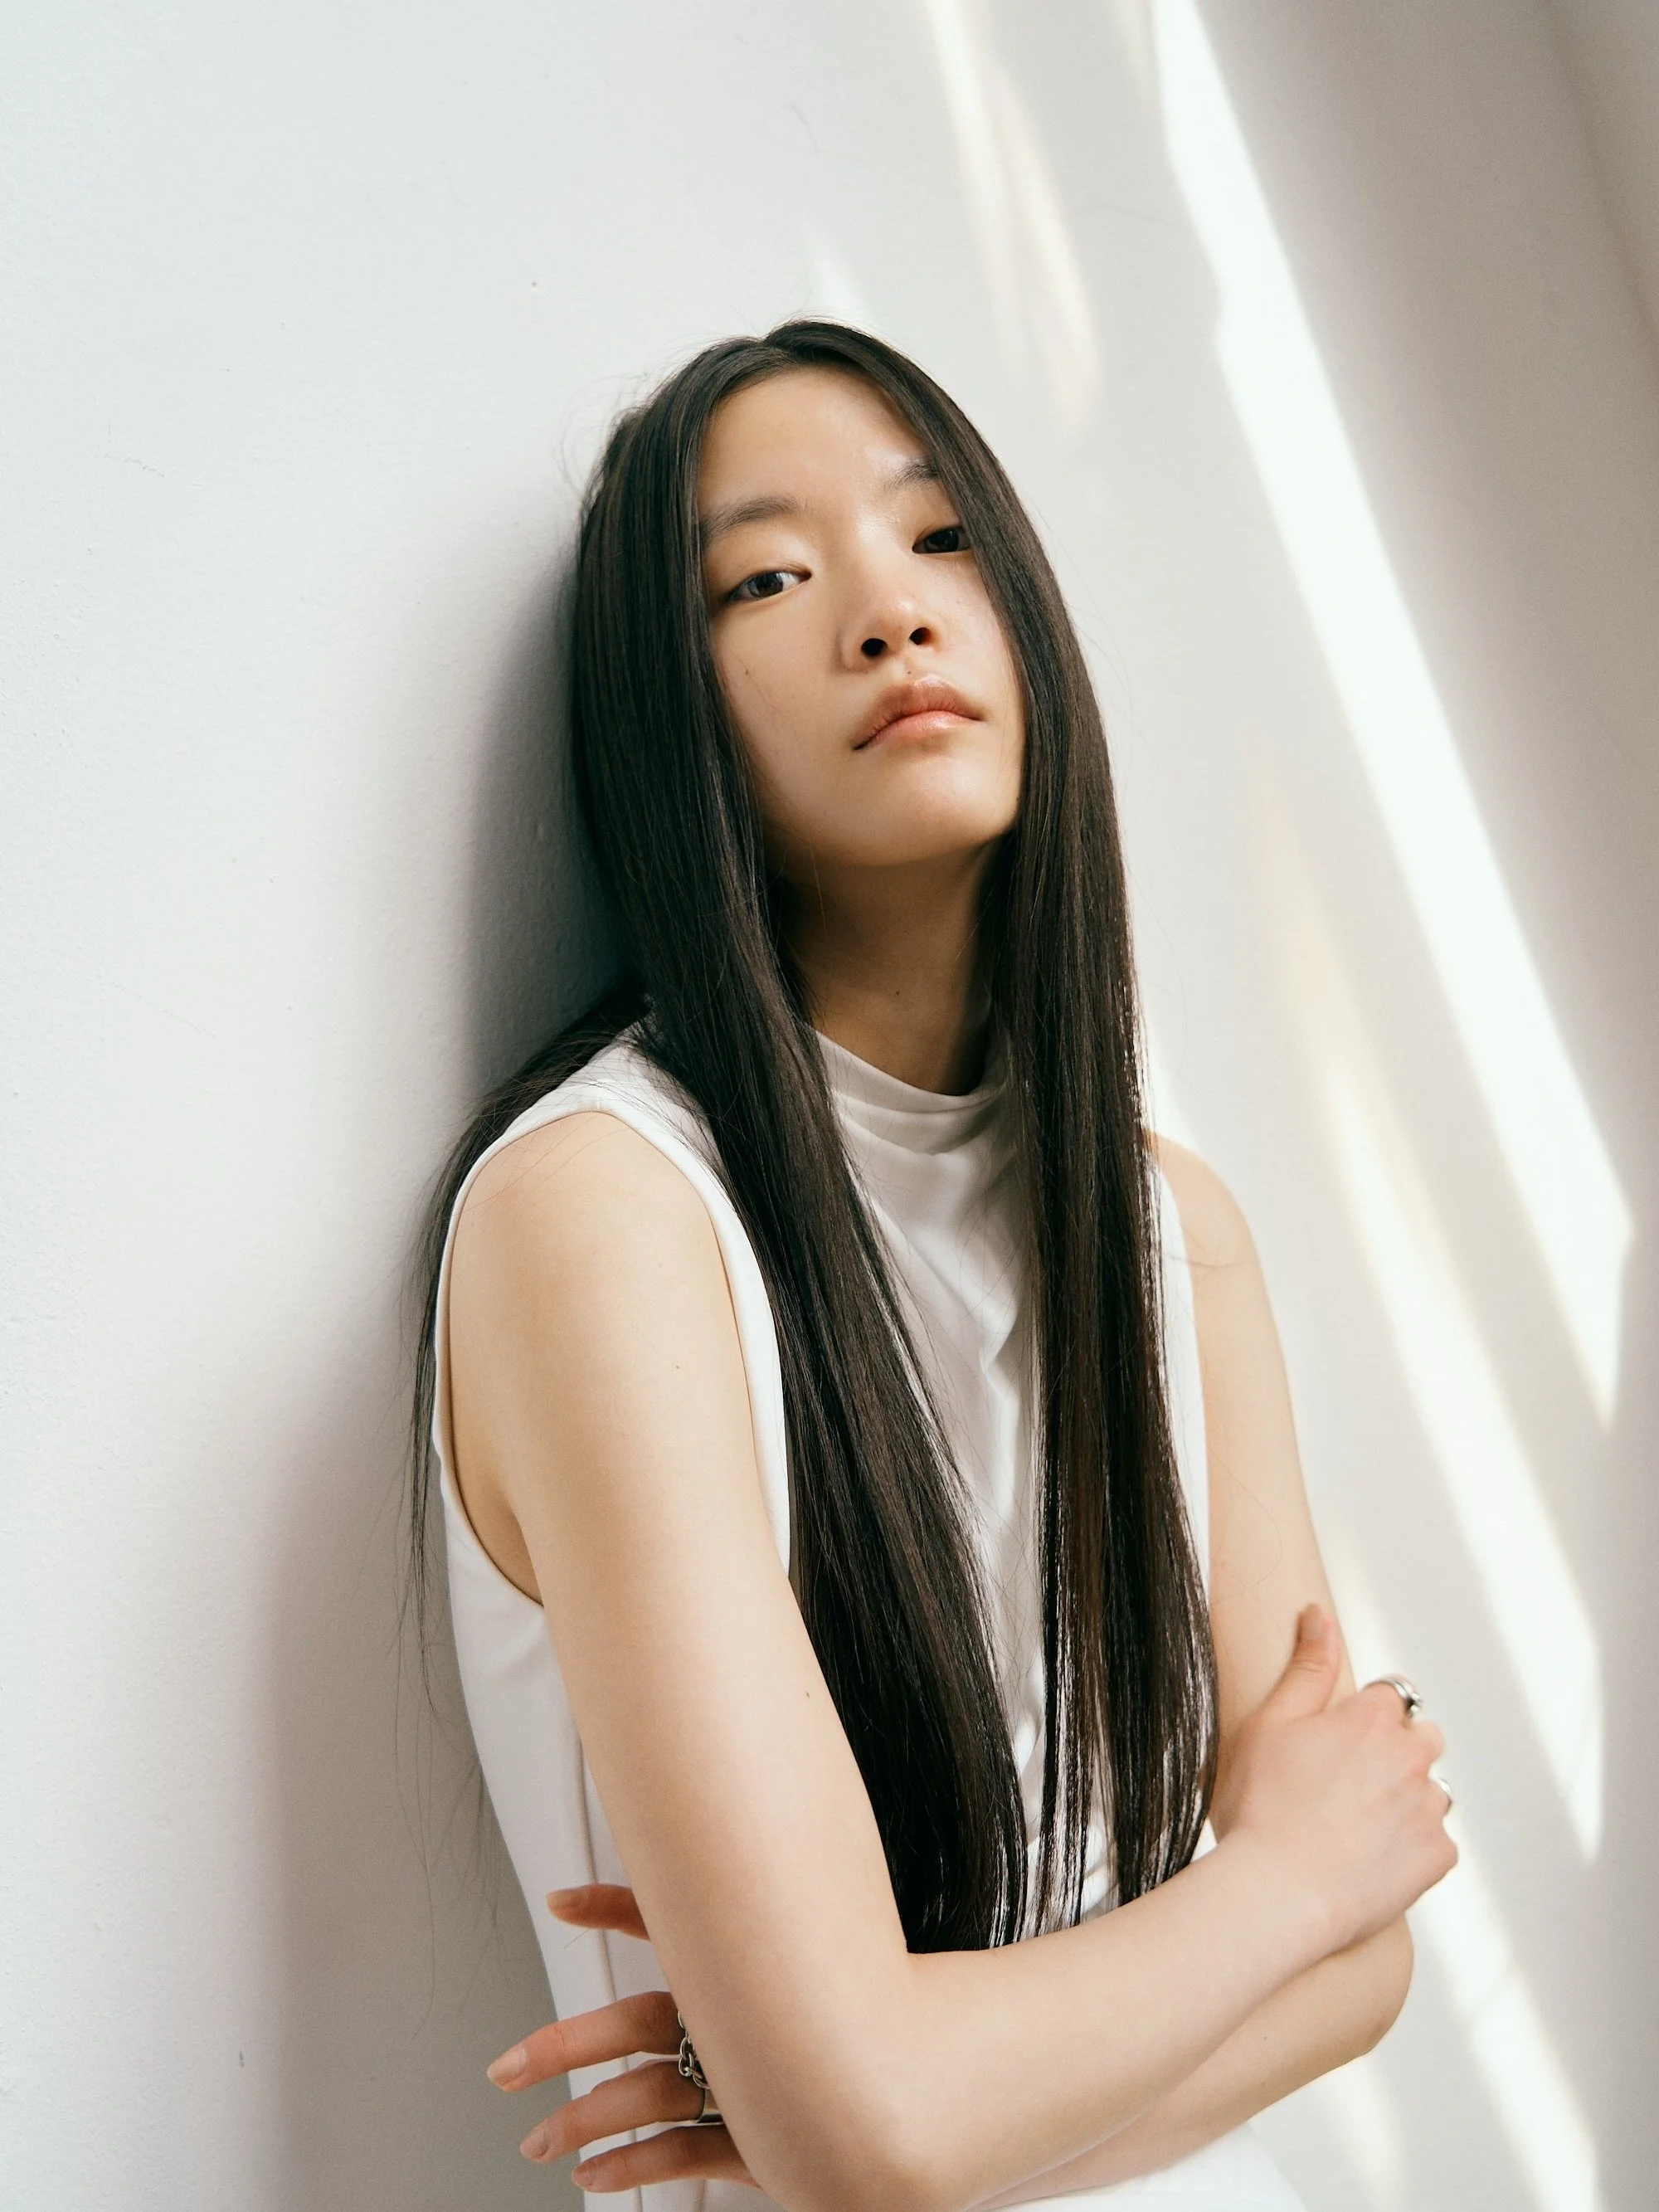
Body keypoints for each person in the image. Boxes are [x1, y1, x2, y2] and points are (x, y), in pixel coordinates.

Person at [415, 320, 1455, 2211]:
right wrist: (1289, 1873)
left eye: (939, 537)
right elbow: (891, 2117)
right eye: (768, 577)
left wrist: (900, 2100)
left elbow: (1365, 1972)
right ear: (669, 717)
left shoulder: (1167, 1230)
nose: (887, 616)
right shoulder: (610, 1217)